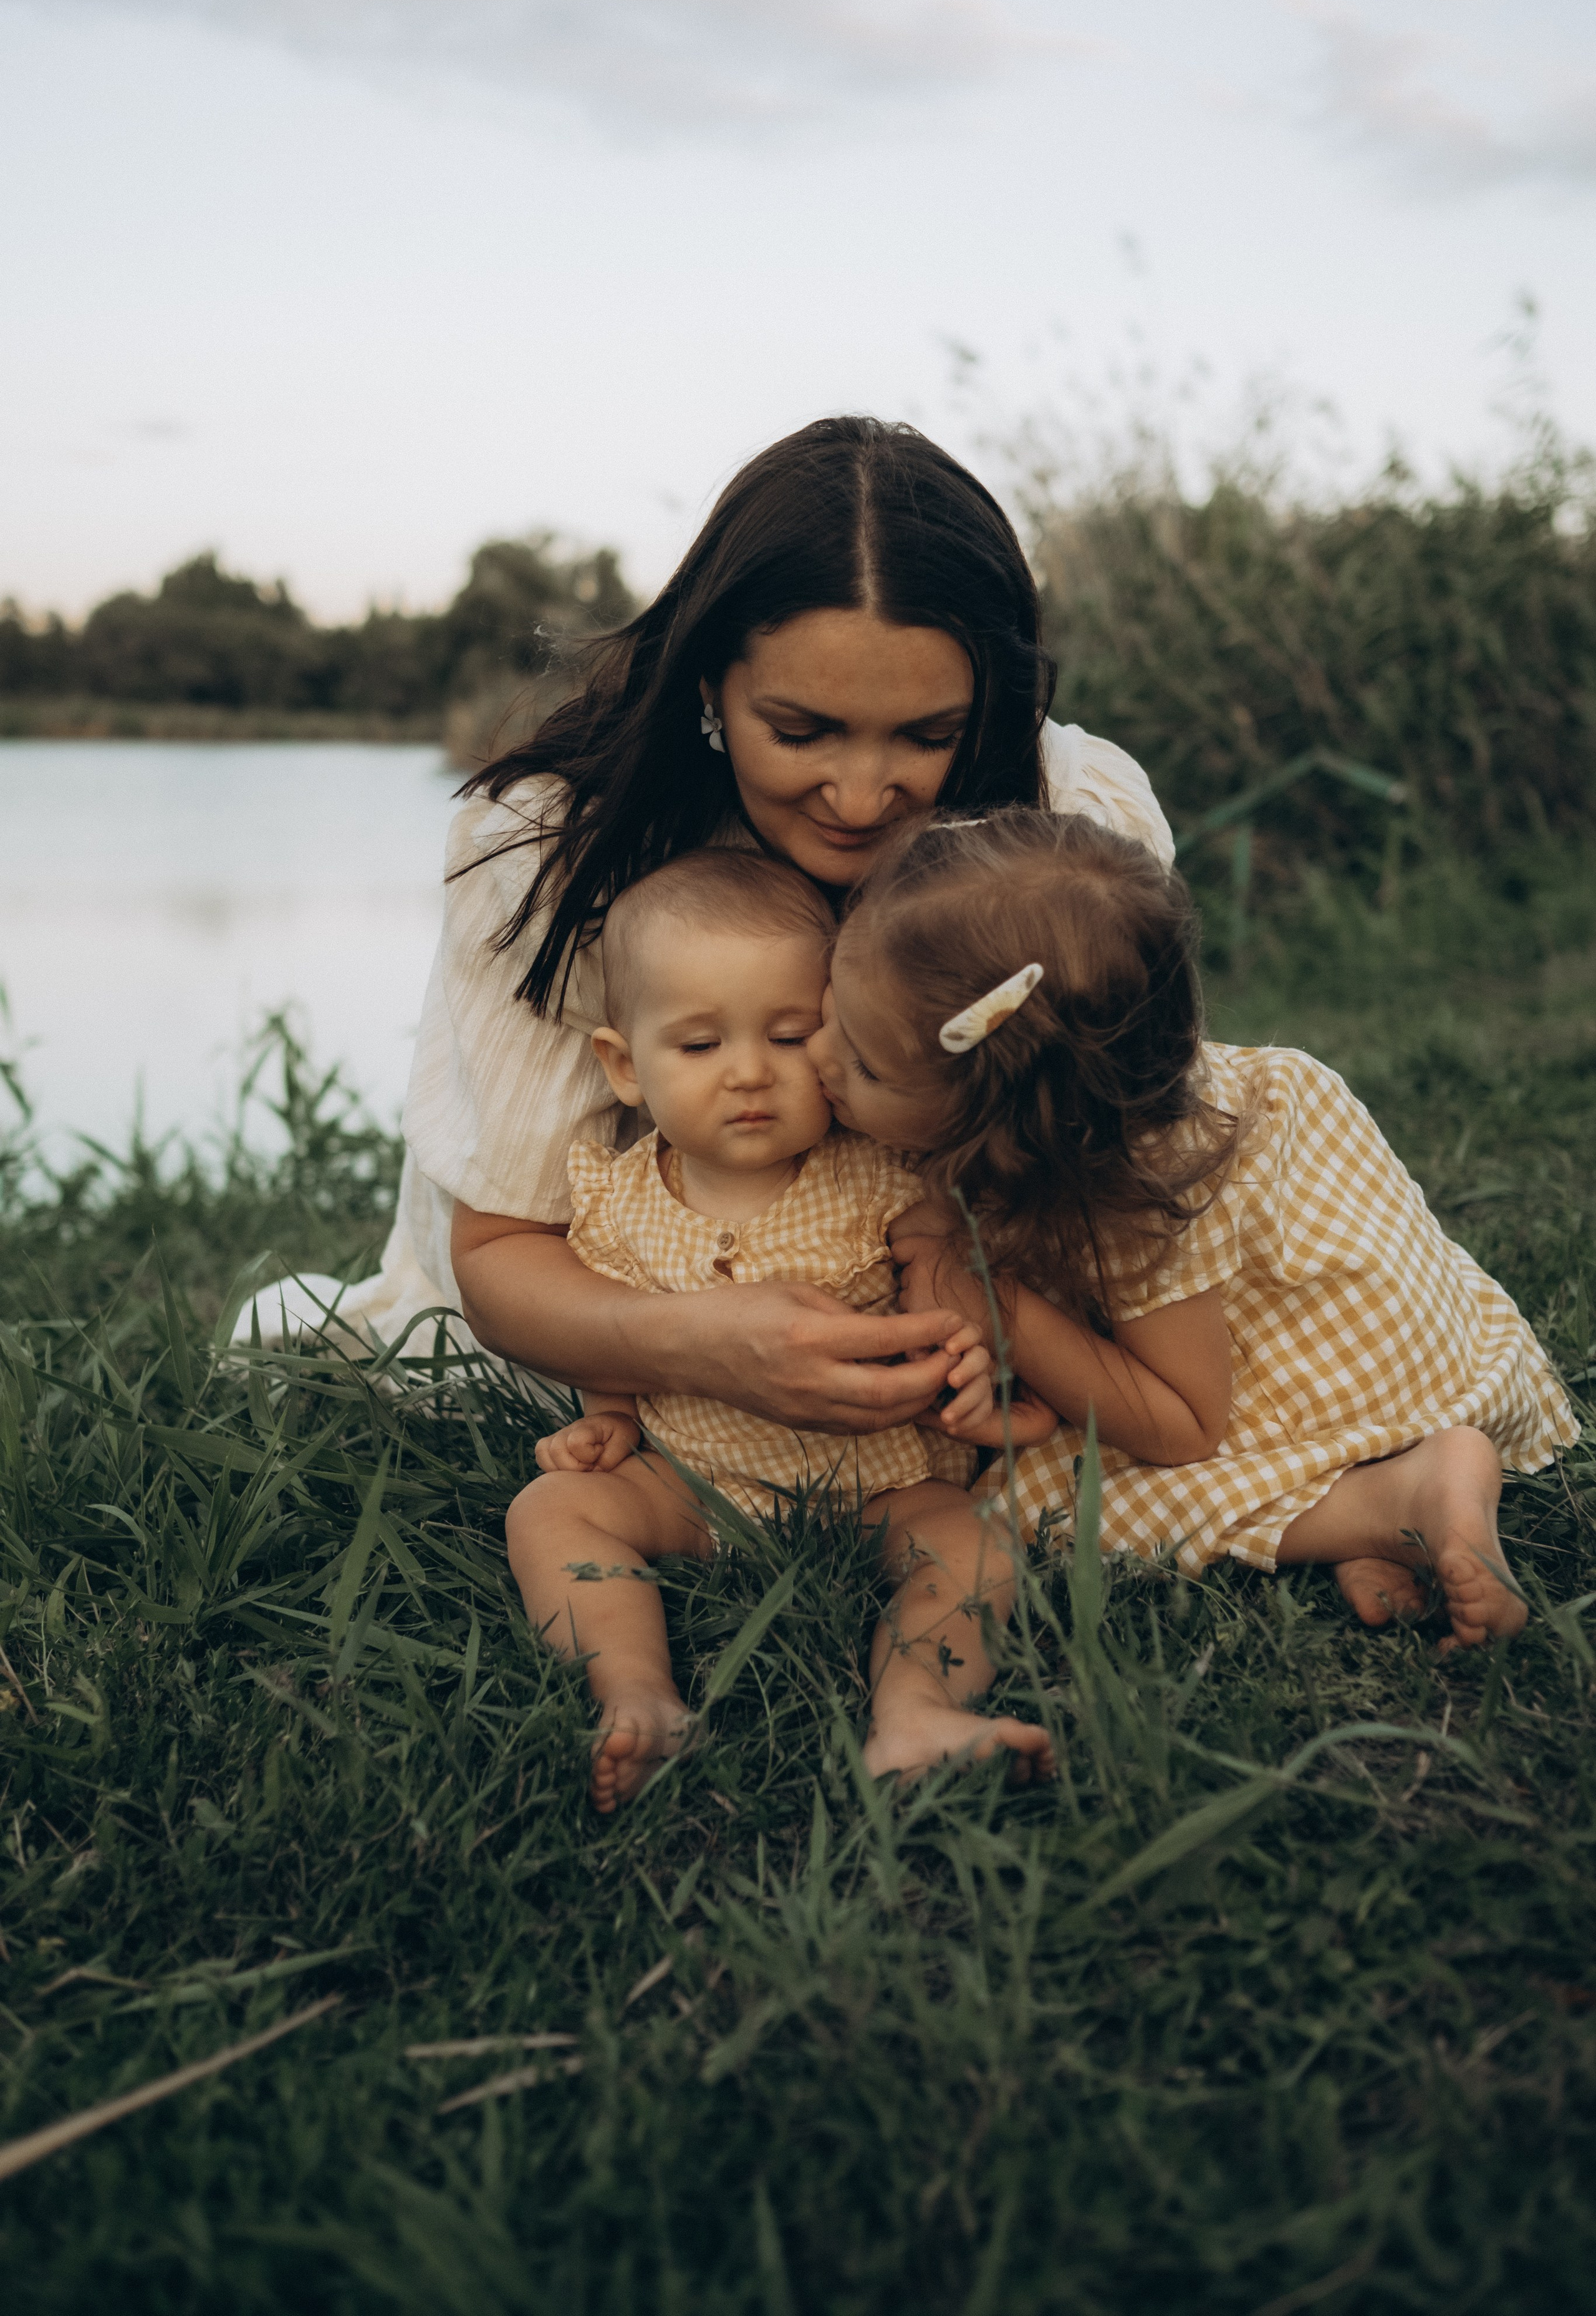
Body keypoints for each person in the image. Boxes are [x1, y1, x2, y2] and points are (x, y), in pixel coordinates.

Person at [241, 417, 1175, 1449]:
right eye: (801, 730)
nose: (863, 798)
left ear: (988, 711)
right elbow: (505, 1254)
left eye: (928, 736)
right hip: (601, 1334)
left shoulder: (1072, 819)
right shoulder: (554, 851)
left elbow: (1112, 1172)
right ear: (708, 688)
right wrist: (698, 1344)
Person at [807, 808, 1578, 1653]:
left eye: (866, 1062)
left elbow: (1182, 1425)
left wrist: (1003, 1309)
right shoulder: (1113, 1099)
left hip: (1309, 1376)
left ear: (1001, 1113)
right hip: (1389, 1324)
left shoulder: (1132, 1201)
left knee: (1048, 1510)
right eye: (829, 1012)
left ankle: (1396, 1498)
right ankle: (1364, 1531)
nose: (816, 1054)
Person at [504, 846, 1055, 1810]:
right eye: (700, 1045)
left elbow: (955, 1302)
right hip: (690, 1483)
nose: (750, 1074)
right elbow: (611, 1320)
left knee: (976, 1546)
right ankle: (637, 1692)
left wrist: (972, 1369)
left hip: (881, 1483)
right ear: (624, 1066)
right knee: (548, 1512)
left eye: (791, 1036)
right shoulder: (616, 1199)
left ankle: (917, 1711)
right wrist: (612, 1419)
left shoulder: (884, 1175)